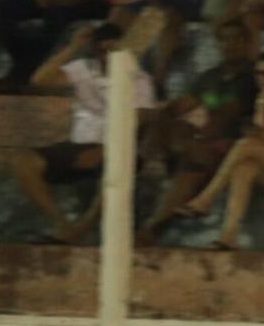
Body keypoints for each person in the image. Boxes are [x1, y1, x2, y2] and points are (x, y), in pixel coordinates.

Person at [13, 22, 157, 244]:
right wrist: (74, 46)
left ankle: (84, 227)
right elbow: (40, 80)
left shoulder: (139, 79)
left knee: (118, 165)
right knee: (23, 161)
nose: (107, 56)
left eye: (113, 50)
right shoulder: (84, 69)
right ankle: (63, 224)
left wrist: (104, 150)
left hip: (119, 147)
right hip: (79, 145)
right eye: (102, 50)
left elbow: (139, 123)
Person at [177, 51, 264, 249]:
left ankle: (206, 198)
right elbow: (260, 135)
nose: (263, 79)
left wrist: (262, 113)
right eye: (259, 74)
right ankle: (229, 235)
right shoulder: (262, 99)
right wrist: (262, 105)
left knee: (245, 145)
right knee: (244, 168)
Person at [136, 25, 257, 245]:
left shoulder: (253, 76)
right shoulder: (211, 76)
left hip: (236, 144)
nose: (230, 45)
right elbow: (181, 106)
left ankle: (154, 227)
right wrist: (164, 119)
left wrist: (196, 140)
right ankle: (155, 160)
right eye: (224, 40)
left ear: (247, 43)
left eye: (236, 39)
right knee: (163, 121)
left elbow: (228, 115)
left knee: (193, 160)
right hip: (203, 145)